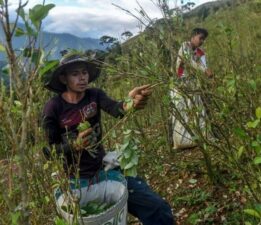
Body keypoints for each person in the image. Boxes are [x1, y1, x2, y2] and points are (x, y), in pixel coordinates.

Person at [42, 52, 175, 225]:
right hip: (75, 181)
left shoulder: (94, 95)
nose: (82, 78)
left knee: (156, 207)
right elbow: (50, 151)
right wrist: (74, 145)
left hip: (104, 169)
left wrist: (130, 103)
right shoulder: (53, 107)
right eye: (75, 74)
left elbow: (116, 109)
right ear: (63, 78)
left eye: (84, 72)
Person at [171, 28, 212, 149]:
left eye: (204, 39)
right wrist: (205, 71)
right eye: (200, 38)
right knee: (181, 112)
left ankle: (202, 137)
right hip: (180, 84)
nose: (202, 41)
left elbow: (204, 66)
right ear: (193, 36)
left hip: (193, 85)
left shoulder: (201, 53)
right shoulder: (185, 46)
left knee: (198, 111)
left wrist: (207, 72)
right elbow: (188, 62)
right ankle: (180, 143)